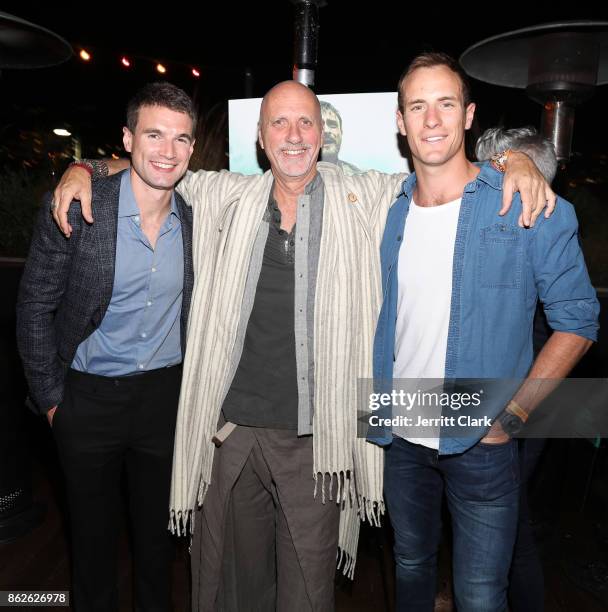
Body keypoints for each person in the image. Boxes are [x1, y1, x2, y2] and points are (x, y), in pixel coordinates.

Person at [51, 80, 554, 611]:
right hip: (229, 433)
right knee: (229, 587)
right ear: (261, 139)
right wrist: (81, 168)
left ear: (322, 135)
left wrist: (514, 162)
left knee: (307, 591)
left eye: (306, 122)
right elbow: (153, 167)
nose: (294, 135)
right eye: (279, 124)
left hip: (317, 438)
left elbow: (447, 177)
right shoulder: (226, 195)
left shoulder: (371, 195)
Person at [370, 53, 599, 611]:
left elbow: (578, 319)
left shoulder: (523, 202)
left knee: (478, 595)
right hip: (401, 426)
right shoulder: (391, 210)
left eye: (445, 104)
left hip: (482, 435)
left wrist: (514, 414)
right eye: (417, 106)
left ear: (468, 115)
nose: (431, 120)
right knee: (411, 567)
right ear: (400, 122)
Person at [16, 82, 196, 612]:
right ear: (128, 138)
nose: (167, 150)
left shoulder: (196, 214)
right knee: (91, 547)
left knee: (157, 546)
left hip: (164, 400)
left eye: (181, 138)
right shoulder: (77, 208)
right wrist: (53, 401)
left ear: (193, 148)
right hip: (86, 400)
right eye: (154, 134)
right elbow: (32, 308)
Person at [477, 126, 557, 612]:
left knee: (512, 532)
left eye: (495, 170)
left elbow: (569, 329)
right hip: (499, 400)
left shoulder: (539, 227)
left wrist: (513, 415)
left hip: (523, 404)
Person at [319, 100, 361, 174]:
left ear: (341, 132)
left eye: (332, 125)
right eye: (319, 125)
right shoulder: (293, 175)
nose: (326, 130)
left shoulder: (359, 177)